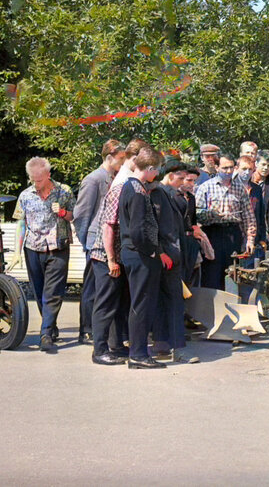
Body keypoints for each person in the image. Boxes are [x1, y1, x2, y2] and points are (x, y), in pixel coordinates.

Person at [12, 157, 75, 352]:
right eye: (32, 179)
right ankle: (50, 325)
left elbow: (75, 215)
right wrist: (16, 251)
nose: (36, 183)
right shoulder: (25, 195)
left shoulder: (64, 191)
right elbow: (21, 223)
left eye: (39, 179)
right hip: (33, 248)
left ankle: (45, 334)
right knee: (39, 292)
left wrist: (63, 212)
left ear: (48, 175)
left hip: (58, 247)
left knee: (53, 292)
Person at [72, 139, 126, 344]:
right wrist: (88, 240)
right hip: (96, 243)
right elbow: (81, 214)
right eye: (121, 158)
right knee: (92, 289)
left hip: (108, 242)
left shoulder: (114, 177)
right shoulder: (93, 180)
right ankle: (86, 330)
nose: (123, 162)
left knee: (103, 291)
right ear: (109, 157)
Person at [118, 146, 167, 369]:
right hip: (140, 255)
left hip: (134, 254)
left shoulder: (130, 186)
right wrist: (151, 250)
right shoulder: (137, 192)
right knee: (141, 304)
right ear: (148, 168)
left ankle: (137, 352)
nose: (157, 175)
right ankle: (137, 354)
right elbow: (137, 230)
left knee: (139, 303)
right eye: (156, 170)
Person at [89, 162, 133, 366]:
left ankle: (115, 345)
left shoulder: (124, 183)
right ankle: (99, 350)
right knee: (105, 304)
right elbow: (108, 228)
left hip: (116, 255)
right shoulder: (120, 188)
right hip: (105, 257)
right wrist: (111, 260)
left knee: (118, 303)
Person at [149, 160, 192, 363]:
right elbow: (158, 227)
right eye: (181, 178)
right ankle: (170, 346)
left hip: (171, 254)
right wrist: (162, 252)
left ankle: (166, 344)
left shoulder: (168, 194)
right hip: (167, 256)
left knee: (169, 301)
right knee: (170, 302)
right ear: (170, 175)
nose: (183, 182)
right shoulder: (161, 194)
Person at [195, 154, 256, 290]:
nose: (228, 171)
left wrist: (250, 239)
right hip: (212, 233)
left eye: (231, 168)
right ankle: (212, 308)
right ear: (216, 168)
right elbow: (196, 214)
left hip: (232, 234)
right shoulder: (206, 187)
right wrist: (212, 214)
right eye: (225, 168)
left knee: (232, 273)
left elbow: (248, 216)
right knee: (211, 274)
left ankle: (232, 304)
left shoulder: (239, 188)